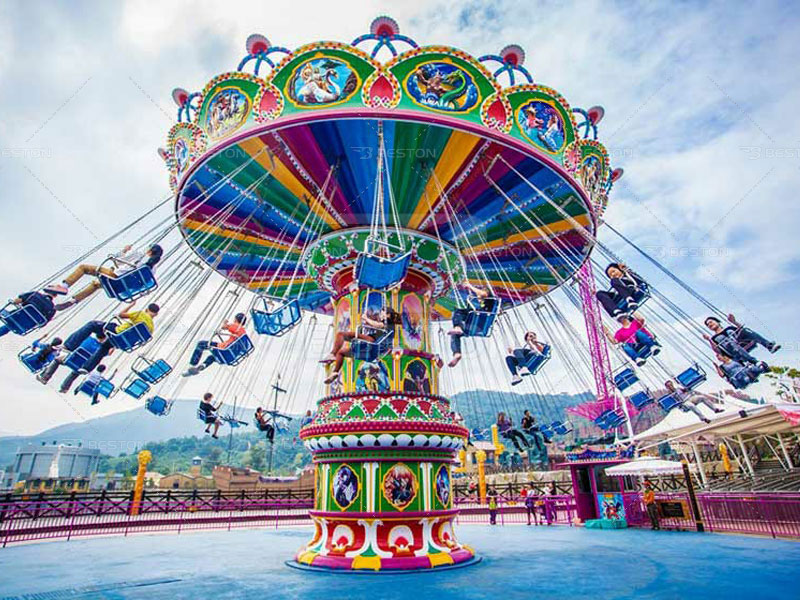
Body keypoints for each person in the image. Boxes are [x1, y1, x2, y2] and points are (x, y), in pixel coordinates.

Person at [45, 243, 164, 304]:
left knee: (84, 268)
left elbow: (117, 260)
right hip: (122, 287)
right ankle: (74, 300)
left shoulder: (139, 255)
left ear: (149, 250)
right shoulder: (152, 269)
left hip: (116, 277)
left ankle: (64, 287)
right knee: (96, 284)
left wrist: (123, 251)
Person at [321, 305, 401, 385]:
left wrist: (366, 318)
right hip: (371, 353)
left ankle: (332, 354)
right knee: (341, 352)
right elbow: (377, 326)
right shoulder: (387, 325)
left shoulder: (388, 324)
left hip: (372, 343)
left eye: (382, 312)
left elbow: (377, 325)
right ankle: (335, 372)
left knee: (341, 335)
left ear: (388, 315)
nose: (380, 314)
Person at [447, 282, 497, 367]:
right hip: (477, 326)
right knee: (455, 335)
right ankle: (457, 353)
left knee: (459, 311)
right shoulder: (481, 308)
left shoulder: (490, 300)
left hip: (479, 323)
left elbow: (483, 293)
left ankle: (458, 327)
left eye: (478, 296)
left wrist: (470, 286)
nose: (478, 298)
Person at [183, 313, 247, 377]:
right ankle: (201, 367)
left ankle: (192, 364)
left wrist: (225, 323)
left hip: (224, 349)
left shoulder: (237, 326)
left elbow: (224, 327)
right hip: (230, 356)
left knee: (201, 344)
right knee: (211, 357)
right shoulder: (243, 333)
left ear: (236, 319)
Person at [704, 315, 779, 366]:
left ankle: (769, 346)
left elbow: (742, 330)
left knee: (745, 330)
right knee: (728, 342)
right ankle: (753, 361)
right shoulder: (714, 338)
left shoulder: (729, 328)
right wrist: (709, 340)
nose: (709, 324)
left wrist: (734, 321)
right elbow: (717, 351)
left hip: (741, 342)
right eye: (708, 325)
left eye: (711, 322)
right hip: (733, 350)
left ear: (717, 321)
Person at [0, 289, 71, 337]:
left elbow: (16, 301)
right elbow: (43, 324)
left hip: (14, 317)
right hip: (25, 326)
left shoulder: (35, 294)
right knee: (9, 327)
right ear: (55, 296)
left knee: (6, 316)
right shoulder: (52, 309)